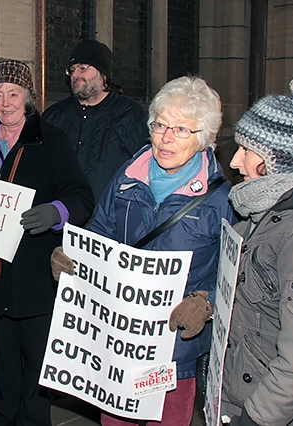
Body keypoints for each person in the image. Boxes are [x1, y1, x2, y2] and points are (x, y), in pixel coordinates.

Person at [52, 76, 236, 425]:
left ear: (204, 139)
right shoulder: (127, 177)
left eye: (181, 129)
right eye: (160, 125)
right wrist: (73, 255)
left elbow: (232, 273)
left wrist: (205, 302)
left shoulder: (220, 200)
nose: (166, 138)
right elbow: (100, 229)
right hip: (120, 340)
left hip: (173, 349)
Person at [0, 60, 94, 426]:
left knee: (36, 359)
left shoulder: (50, 141)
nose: (5, 102)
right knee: (4, 352)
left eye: (13, 94)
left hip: (36, 273)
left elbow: (82, 197)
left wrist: (56, 212)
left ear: (29, 100)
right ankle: (0, 417)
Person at [221, 71, 293, 426]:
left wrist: (256, 419)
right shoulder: (267, 212)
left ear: (281, 161)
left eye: (247, 151)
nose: (234, 162)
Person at [42, 39, 149, 203]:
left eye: (83, 68)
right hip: (63, 218)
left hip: (111, 221)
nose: (75, 74)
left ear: (103, 73)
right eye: (72, 70)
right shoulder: (54, 116)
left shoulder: (132, 116)